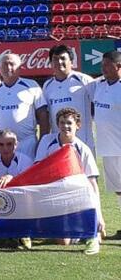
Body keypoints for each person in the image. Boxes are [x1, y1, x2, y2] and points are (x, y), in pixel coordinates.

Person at [35, 107, 105, 255]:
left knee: (64, 241)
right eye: (62, 122)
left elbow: (92, 184)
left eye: (69, 123)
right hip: (53, 196)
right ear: (57, 124)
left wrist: (99, 216)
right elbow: (38, 170)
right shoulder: (47, 141)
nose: (65, 126)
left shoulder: (83, 149)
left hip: (77, 198)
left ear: (77, 125)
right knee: (63, 242)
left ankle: (91, 233)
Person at [0, 53, 49, 159]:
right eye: (5, 64)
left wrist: (42, 142)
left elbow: (43, 115)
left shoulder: (31, 86)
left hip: (27, 144)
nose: (8, 67)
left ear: (19, 68)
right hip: (2, 146)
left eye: (12, 64)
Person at [87, 50, 121, 239]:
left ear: (118, 66)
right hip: (107, 148)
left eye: (108, 64)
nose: (103, 68)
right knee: (119, 190)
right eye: (102, 64)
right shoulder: (99, 85)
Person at [42, 45, 94, 153]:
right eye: (55, 59)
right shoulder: (47, 85)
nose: (59, 62)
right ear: (50, 63)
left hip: (84, 143)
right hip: (59, 146)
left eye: (63, 58)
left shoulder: (84, 80)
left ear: (71, 61)